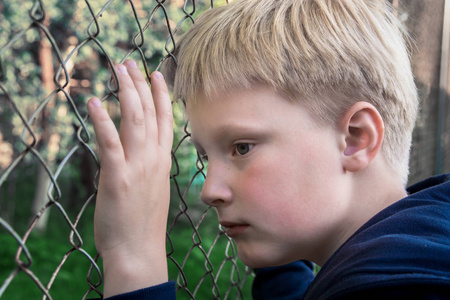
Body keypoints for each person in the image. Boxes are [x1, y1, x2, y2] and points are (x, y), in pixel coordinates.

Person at [86, 0, 450, 299]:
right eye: (205, 156)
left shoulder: (403, 287)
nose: (211, 190)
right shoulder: (419, 236)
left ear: (356, 138)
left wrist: (133, 257)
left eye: (241, 148)